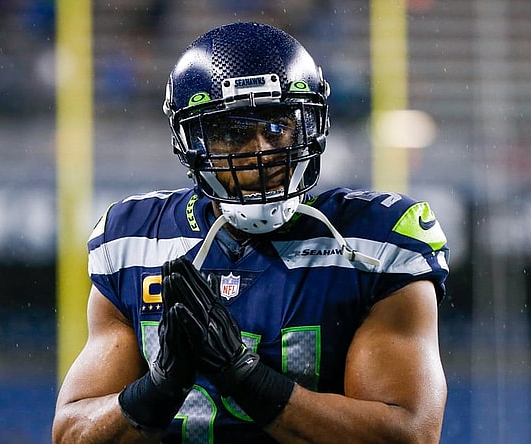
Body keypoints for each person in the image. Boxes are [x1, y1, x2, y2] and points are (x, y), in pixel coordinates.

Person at [52, 22, 449, 444]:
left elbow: (408, 435)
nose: (260, 149)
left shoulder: (374, 242)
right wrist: (160, 388)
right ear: (194, 143)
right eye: (233, 133)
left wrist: (242, 376)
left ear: (310, 127)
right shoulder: (134, 241)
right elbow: (73, 435)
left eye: (276, 127)